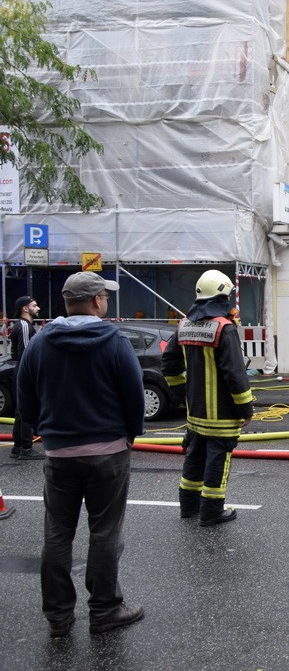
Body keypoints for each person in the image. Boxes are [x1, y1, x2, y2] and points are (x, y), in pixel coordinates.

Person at [16, 271, 146, 637]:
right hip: (108, 452)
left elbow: (25, 396)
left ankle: (59, 617)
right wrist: (131, 434)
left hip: (59, 454)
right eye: (105, 295)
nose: (106, 300)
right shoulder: (114, 340)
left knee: (58, 534)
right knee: (104, 532)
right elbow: (134, 395)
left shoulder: (41, 342)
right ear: (95, 301)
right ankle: (105, 611)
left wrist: (43, 429)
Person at [162, 270, 254, 527]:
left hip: (196, 413)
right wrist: (245, 408)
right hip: (222, 414)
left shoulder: (184, 325)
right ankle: (212, 511)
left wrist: (182, 393)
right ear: (223, 296)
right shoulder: (224, 329)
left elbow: (169, 364)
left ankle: (188, 506)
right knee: (218, 459)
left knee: (195, 455)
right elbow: (235, 374)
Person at [9, 295, 45, 460]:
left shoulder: (25, 325)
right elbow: (25, 353)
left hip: (21, 371)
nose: (38, 308)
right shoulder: (24, 325)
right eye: (34, 305)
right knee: (25, 409)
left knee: (20, 410)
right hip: (24, 372)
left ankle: (18, 447)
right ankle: (26, 448)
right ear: (25, 308)